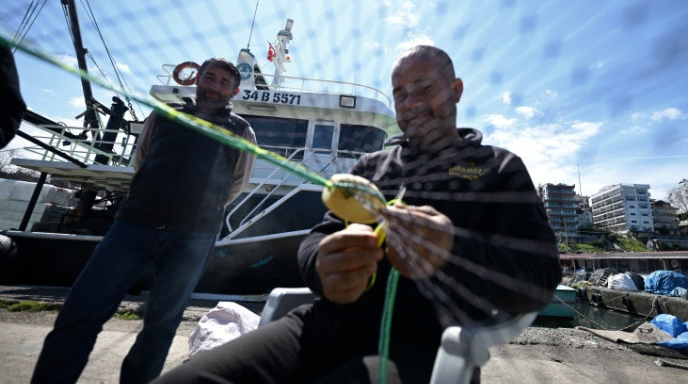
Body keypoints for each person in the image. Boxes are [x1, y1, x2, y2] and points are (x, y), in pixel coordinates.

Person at [153, 45, 560, 383]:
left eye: (424, 88)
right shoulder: (369, 166)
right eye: (399, 92)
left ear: (455, 90)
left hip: (427, 344)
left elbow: (540, 277)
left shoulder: (499, 168)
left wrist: (451, 251)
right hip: (321, 325)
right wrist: (321, 263)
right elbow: (316, 238)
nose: (410, 102)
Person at [31, 57, 256, 384]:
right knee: (80, 311)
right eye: (210, 77)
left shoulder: (241, 130)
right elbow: (143, 159)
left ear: (233, 91)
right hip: (134, 224)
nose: (215, 85)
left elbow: (237, 182)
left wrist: (199, 210)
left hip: (192, 236)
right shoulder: (164, 115)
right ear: (197, 80)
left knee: (161, 323)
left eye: (224, 82)